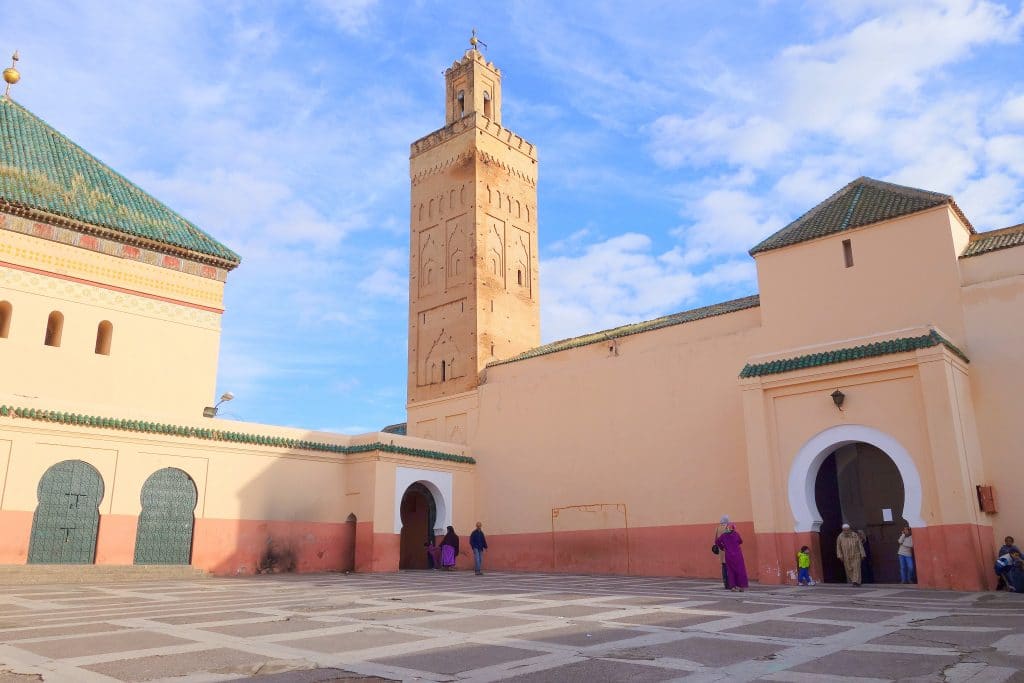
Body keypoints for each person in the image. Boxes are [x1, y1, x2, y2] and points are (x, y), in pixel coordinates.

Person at [715, 523, 749, 591]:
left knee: (730, 571)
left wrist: (723, 547)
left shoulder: (723, 535)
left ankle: (733, 587)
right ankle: (741, 587)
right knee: (740, 570)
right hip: (738, 555)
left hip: (729, 556)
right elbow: (740, 541)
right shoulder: (736, 534)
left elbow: (717, 541)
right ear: (733, 528)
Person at [714, 516, 731, 589]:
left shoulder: (717, 528)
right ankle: (730, 583)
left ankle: (725, 583)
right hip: (728, 550)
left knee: (724, 567)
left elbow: (715, 540)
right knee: (729, 568)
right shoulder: (727, 528)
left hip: (721, 551)